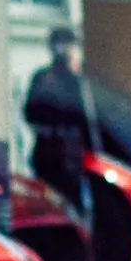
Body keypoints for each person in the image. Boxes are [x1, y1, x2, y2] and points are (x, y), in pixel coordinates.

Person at [24, 26, 95, 223]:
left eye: (67, 45)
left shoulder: (76, 81)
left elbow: (84, 119)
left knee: (71, 203)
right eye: (60, 45)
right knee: (48, 201)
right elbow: (30, 112)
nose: (63, 50)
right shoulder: (42, 78)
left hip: (68, 153)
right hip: (49, 150)